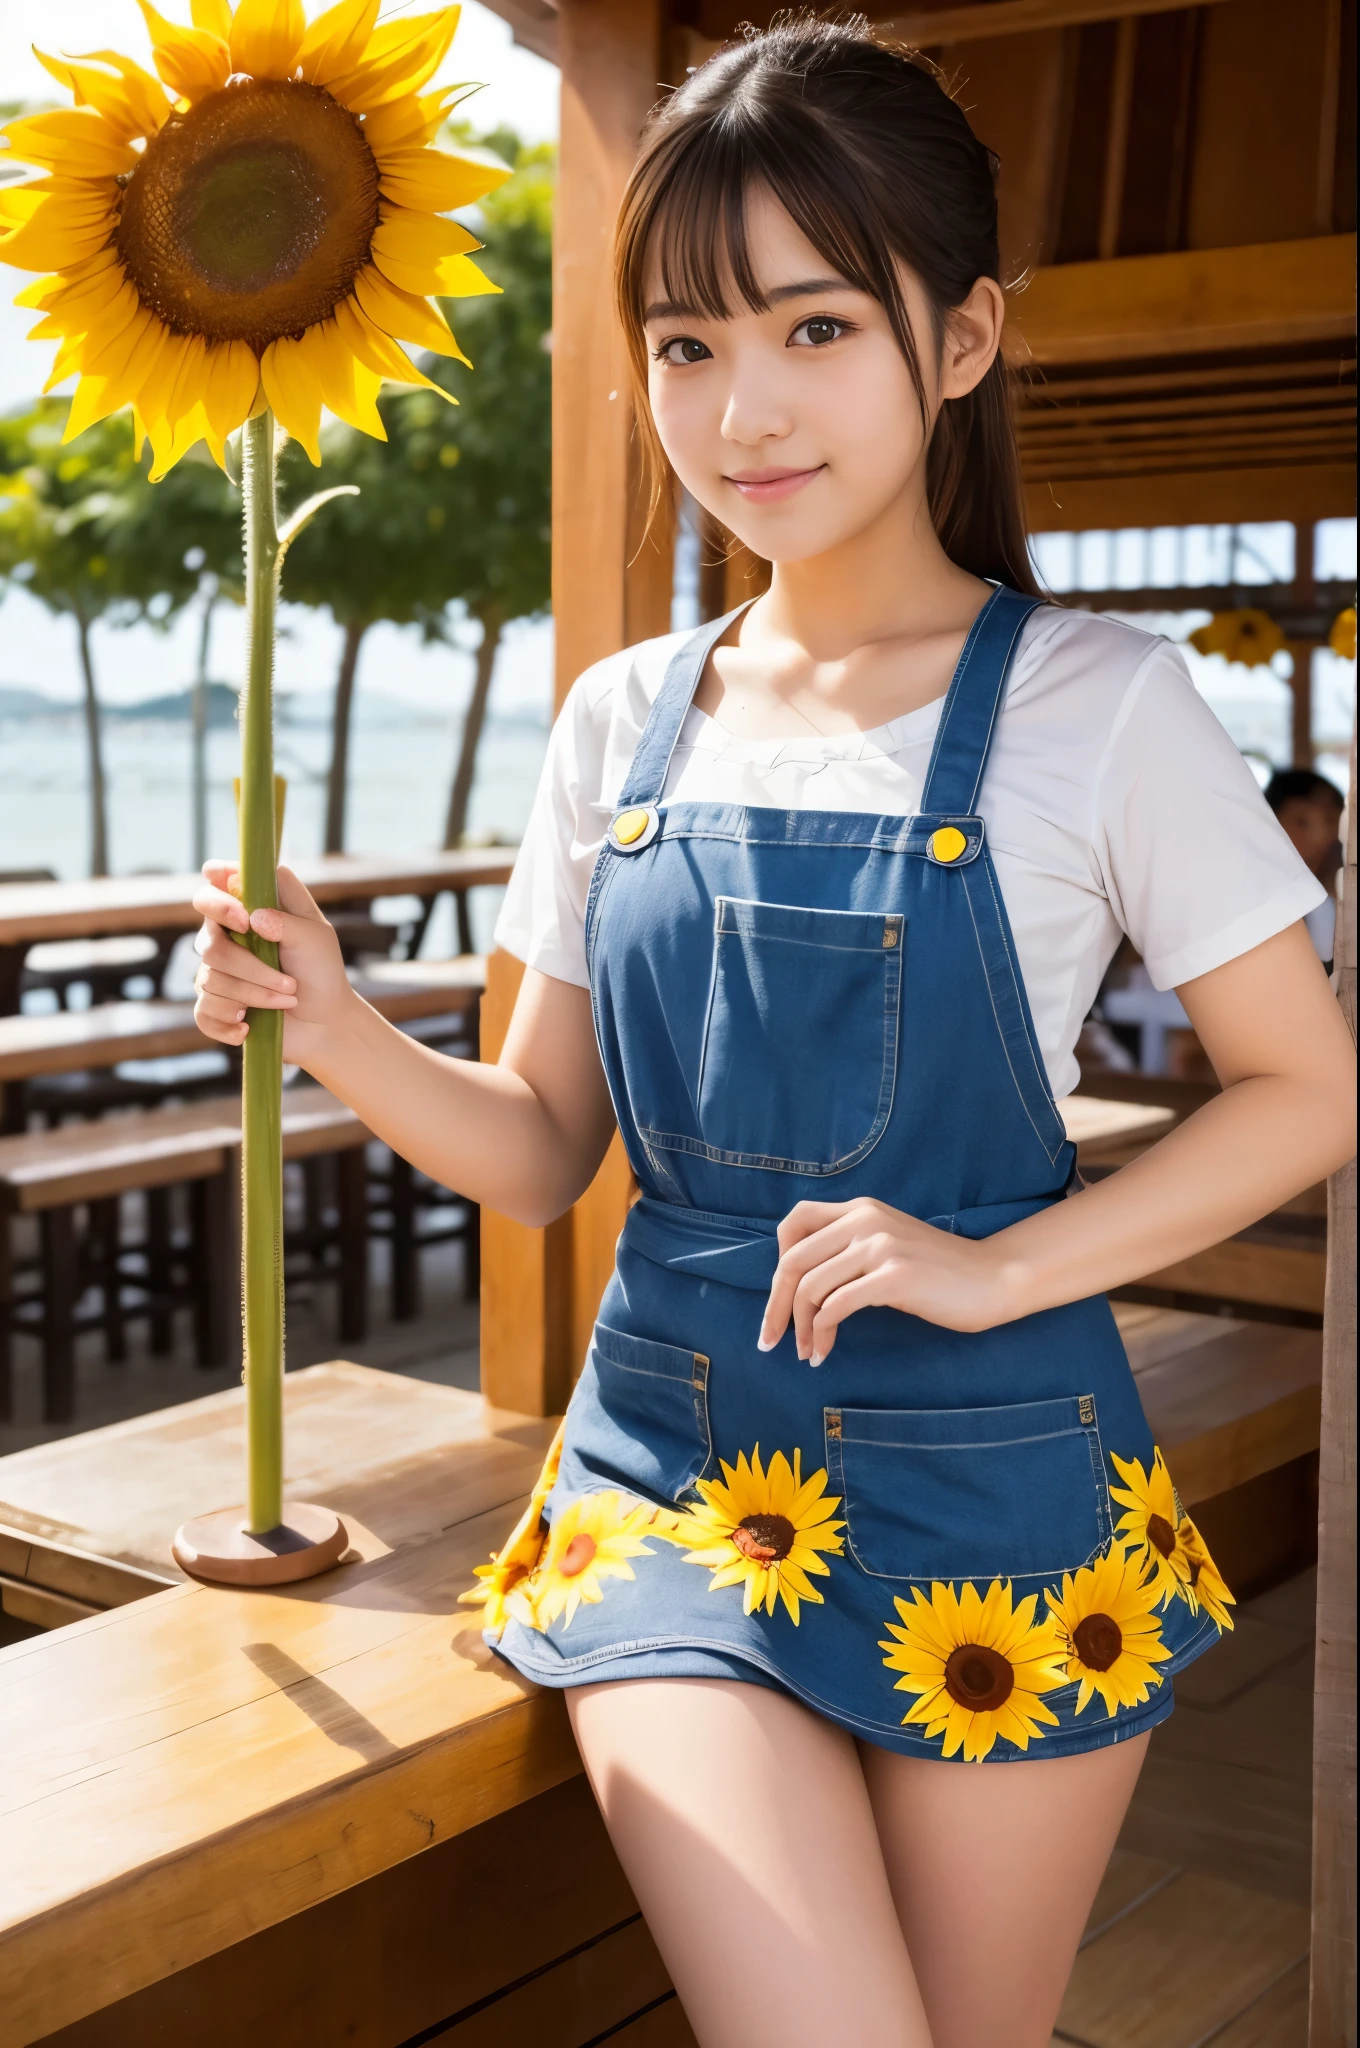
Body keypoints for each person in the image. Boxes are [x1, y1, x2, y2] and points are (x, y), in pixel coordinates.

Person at [191, 24, 1355, 2048]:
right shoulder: (613, 716)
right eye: (682, 345)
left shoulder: (1098, 700)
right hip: (666, 1477)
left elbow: (1305, 1088)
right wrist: (332, 1019)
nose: (739, 409)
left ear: (962, 336)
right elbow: (545, 1146)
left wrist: (995, 1266)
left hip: (1010, 1481)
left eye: (813, 327)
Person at [1265, 767, 1346, 969]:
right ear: (1270, 820)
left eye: (1329, 822)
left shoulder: (1328, 907)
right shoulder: (1261, 900)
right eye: (1302, 822)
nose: (1319, 837)